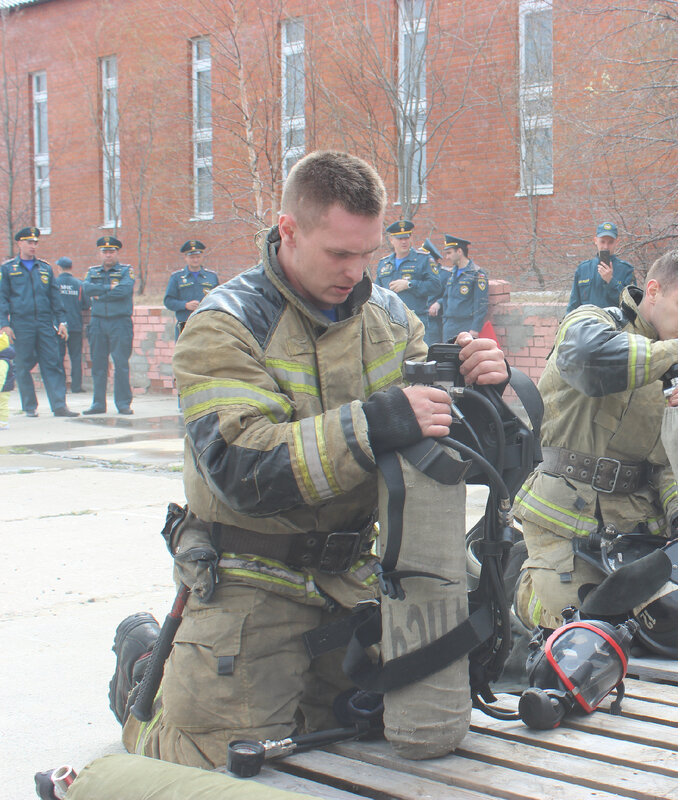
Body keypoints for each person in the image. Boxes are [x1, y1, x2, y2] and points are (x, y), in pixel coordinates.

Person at [107, 150, 508, 769]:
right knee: (213, 765)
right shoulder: (224, 326)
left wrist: (482, 387)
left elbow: (434, 436)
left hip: (353, 578)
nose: (357, 271)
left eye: (368, 254)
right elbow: (243, 470)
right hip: (250, 580)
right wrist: (378, 421)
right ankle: (143, 672)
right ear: (288, 230)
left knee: (372, 736)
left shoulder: (389, 318)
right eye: (340, 255)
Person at [513, 248, 678, 631]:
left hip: (637, 522)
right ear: (653, 290)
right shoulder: (592, 321)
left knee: (675, 623)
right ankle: (520, 582)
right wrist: (673, 354)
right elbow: (591, 359)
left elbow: (669, 461)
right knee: (581, 623)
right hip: (565, 518)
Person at [0, 226, 76, 417]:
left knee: (52, 363)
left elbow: (54, 297)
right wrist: (4, 324)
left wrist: (61, 321)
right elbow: (2, 298)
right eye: (29, 242)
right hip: (21, 324)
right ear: (19, 243)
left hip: (44, 322)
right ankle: (29, 407)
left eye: (35, 243)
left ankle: (59, 406)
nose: (33, 246)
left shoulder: (45, 268)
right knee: (23, 365)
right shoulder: (8, 269)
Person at [83, 237, 135, 415]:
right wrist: (109, 288)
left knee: (120, 363)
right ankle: (98, 403)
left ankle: (123, 403)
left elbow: (124, 290)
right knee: (98, 364)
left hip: (120, 322)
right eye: (105, 252)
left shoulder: (126, 271)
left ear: (117, 253)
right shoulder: (93, 271)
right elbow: (87, 289)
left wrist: (101, 293)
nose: (108, 255)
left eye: (111, 251)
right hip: (98, 322)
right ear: (100, 253)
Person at [375, 220, 442, 345]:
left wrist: (410, 284)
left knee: (418, 361)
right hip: (391, 323)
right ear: (391, 240)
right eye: (399, 238)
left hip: (415, 320)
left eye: (407, 237)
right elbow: (376, 294)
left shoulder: (423, 259)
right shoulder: (384, 263)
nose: (404, 241)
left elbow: (436, 286)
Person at [566, 221, 638, 312]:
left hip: (616, 324)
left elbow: (631, 306)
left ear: (617, 242)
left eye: (610, 242)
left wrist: (611, 281)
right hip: (588, 323)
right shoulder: (583, 269)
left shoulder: (626, 270)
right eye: (602, 241)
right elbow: (573, 304)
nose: (606, 246)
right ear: (595, 240)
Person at [432, 234, 488, 340]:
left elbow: (481, 304)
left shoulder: (476, 274)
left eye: (449, 253)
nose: (447, 257)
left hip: (466, 325)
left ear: (459, 251)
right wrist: (440, 305)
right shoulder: (452, 273)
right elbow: (446, 297)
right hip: (449, 325)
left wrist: (475, 328)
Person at [163, 240, 219, 338]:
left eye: (198, 257)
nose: (195, 260)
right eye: (192, 257)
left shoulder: (212, 277)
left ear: (202, 257)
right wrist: (185, 305)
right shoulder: (177, 277)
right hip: (185, 324)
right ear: (185, 258)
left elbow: (218, 300)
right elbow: (168, 301)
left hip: (206, 324)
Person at [55, 257, 87, 393]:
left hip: (59, 326)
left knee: (58, 356)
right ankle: (76, 386)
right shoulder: (79, 284)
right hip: (75, 324)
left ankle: (60, 385)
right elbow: (86, 304)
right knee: (76, 356)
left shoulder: (54, 283)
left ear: (59, 268)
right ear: (71, 268)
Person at [422, 236, 448, 344]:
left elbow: (450, 295)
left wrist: (439, 302)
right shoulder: (420, 274)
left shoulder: (445, 275)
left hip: (433, 322)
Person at [0, 330, 14, 429]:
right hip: (4, 386)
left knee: (2, 405)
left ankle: (3, 422)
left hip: (3, 388)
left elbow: (1, 377)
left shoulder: (2, 361)